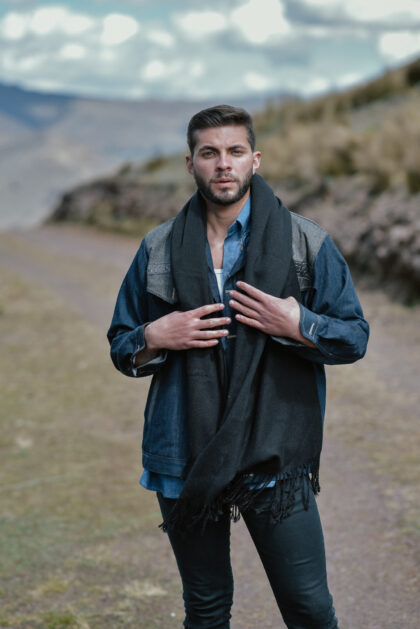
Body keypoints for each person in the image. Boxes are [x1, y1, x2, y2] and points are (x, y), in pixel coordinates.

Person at [107, 104, 369, 629]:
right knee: (205, 610)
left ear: (255, 159)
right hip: (184, 449)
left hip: (273, 453)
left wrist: (299, 324)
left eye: (235, 151)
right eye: (209, 153)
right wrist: (155, 336)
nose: (223, 164)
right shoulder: (157, 247)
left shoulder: (305, 242)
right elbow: (121, 344)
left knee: (309, 608)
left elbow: (354, 337)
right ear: (191, 163)